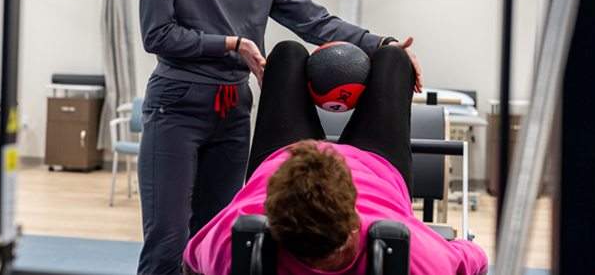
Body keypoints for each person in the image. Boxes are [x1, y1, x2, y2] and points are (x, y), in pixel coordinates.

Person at [137, 0, 422, 275]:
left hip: (233, 113)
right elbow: (158, 34)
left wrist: (379, 44)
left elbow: (315, 21)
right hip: (177, 106)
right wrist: (232, 44)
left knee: (220, 244)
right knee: (168, 248)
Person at [183, 41, 488, 275]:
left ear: (271, 220)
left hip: (283, 161)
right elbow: (474, 259)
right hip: (375, 168)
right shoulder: (412, 254)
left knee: (288, 53)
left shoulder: (234, 242)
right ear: (357, 221)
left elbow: (190, 259)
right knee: (394, 58)